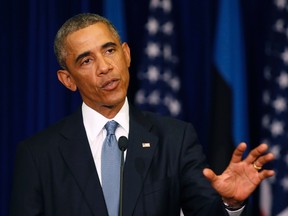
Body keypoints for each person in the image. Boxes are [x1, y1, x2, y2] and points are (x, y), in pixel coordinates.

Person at [10, 13, 275, 216]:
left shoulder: (175, 139)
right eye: (86, 60)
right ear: (67, 80)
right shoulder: (38, 155)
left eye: (110, 50)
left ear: (126, 55)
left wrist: (231, 204)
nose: (104, 67)